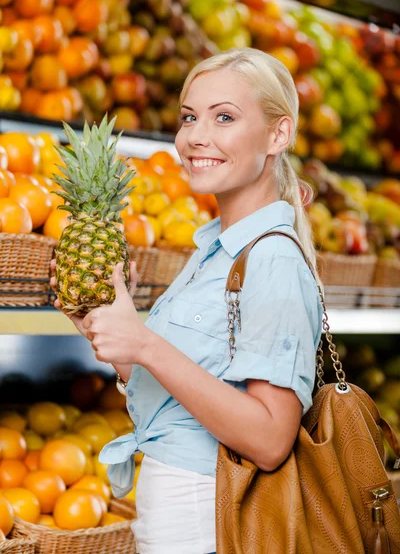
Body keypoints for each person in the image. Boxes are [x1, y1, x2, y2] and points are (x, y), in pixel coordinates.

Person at [51, 47, 323, 554]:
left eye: (224, 117)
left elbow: (269, 440)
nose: (196, 136)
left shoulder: (271, 261)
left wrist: (146, 344)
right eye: (189, 117)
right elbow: (176, 399)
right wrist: (103, 326)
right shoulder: (213, 253)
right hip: (178, 514)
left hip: (214, 518)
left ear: (278, 134)